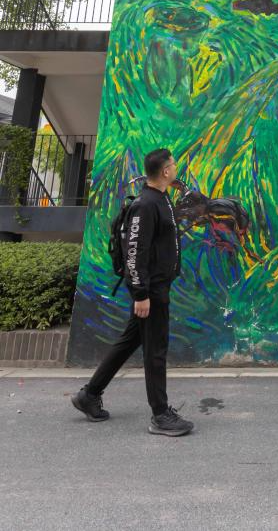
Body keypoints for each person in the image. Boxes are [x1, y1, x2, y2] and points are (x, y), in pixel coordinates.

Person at [71, 148, 193, 436]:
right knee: (155, 351)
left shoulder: (161, 198)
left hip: (157, 287)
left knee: (129, 342)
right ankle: (160, 415)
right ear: (165, 171)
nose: (176, 168)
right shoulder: (146, 204)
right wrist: (141, 294)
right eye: (173, 164)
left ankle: (89, 395)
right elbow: (134, 252)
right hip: (151, 291)